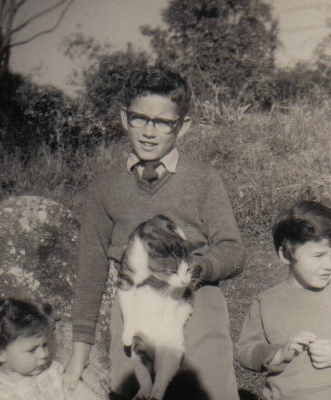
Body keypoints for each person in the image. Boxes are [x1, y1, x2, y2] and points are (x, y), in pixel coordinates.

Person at [65, 65, 246, 400]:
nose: (149, 132)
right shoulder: (103, 188)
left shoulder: (204, 179)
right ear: (124, 118)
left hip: (195, 302)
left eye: (163, 122)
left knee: (206, 390)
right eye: (140, 118)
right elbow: (90, 271)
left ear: (183, 126)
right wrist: (80, 352)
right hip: (135, 310)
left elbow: (232, 249)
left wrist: (199, 268)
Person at [237, 200, 331, 400]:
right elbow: (245, 351)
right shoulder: (266, 303)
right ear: (286, 254)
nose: (329, 264)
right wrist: (278, 354)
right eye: (319, 255)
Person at [0, 297, 102, 400]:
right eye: (32, 350)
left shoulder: (51, 372)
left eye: (44, 345)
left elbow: (80, 394)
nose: (44, 354)